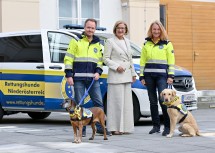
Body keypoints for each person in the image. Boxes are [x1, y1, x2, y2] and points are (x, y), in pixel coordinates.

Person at [64, 18, 111, 137]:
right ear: (85, 28)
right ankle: (82, 129)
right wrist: (69, 75)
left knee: (98, 103)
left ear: (95, 29)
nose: (90, 30)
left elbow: (100, 61)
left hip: (92, 79)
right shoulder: (76, 41)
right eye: (88, 27)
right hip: (78, 78)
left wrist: (98, 72)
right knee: (79, 104)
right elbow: (68, 58)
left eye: (92, 28)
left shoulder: (98, 44)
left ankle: (101, 128)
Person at [139, 20, 175, 136]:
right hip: (149, 76)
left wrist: (170, 75)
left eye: (158, 29)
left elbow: (171, 61)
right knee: (152, 101)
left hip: (162, 77)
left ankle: (168, 127)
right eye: (154, 29)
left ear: (161, 30)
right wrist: (142, 76)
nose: (156, 31)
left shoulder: (167, 43)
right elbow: (142, 61)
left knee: (163, 100)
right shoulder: (146, 44)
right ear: (151, 30)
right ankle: (156, 126)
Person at [103, 21, 136, 135]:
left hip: (126, 76)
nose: (121, 30)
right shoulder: (110, 41)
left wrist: (133, 73)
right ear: (115, 29)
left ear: (126, 30)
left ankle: (125, 128)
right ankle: (114, 128)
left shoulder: (127, 41)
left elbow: (130, 59)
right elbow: (105, 59)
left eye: (123, 28)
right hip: (116, 76)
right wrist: (116, 67)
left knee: (126, 104)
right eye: (119, 28)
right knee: (116, 103)